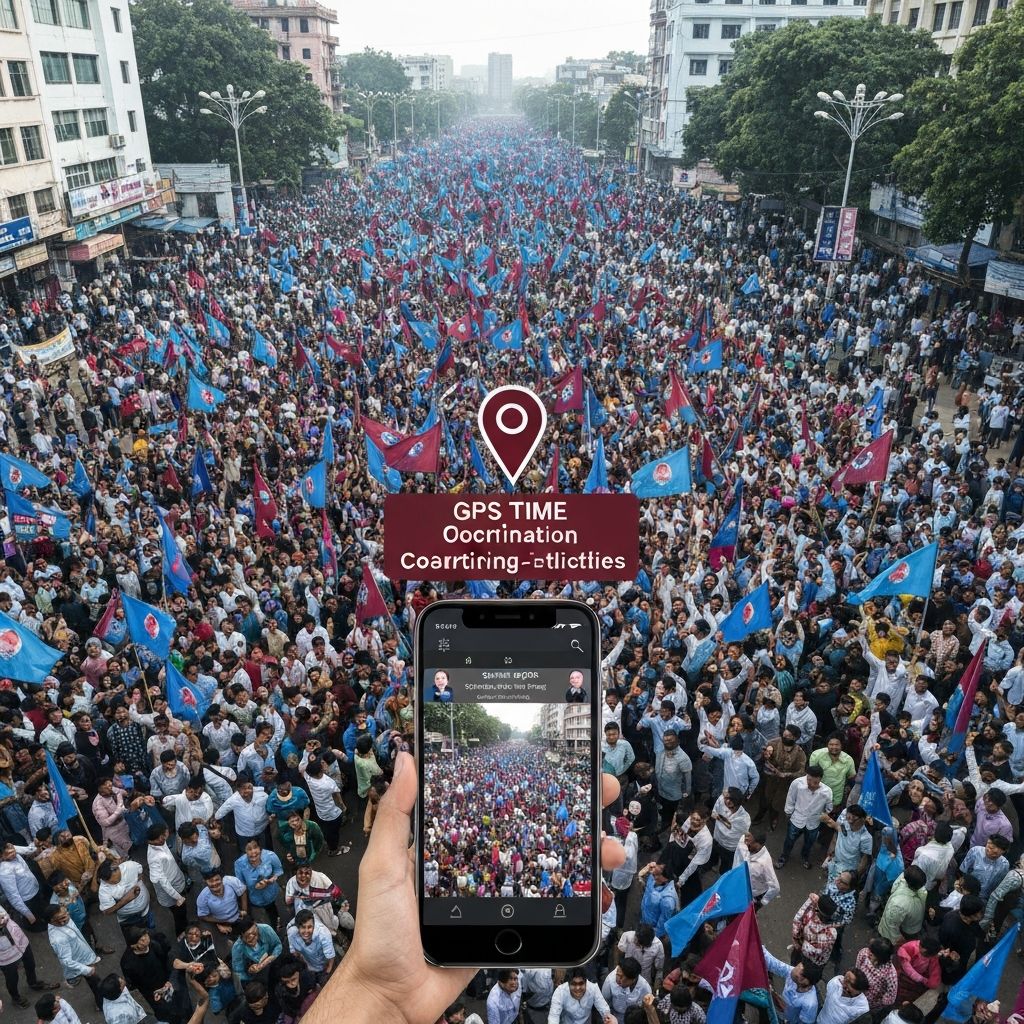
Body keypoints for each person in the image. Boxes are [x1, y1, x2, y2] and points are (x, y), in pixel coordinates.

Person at [43, 902, 103, 1008]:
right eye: (63, 916)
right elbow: (66, 961)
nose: (67, 916)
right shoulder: (59, 939)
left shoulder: (62, 919)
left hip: (83, 954)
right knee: (96, 984)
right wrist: (87, 970)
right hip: (82, 963)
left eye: (66, 912)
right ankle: (101, 1004)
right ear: (53, 921)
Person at [0, 904, 59, 1007]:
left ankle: (33, 983)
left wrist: (4, 918)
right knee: (12, 977)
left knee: (30, 964)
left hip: (20, 939)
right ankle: (16, 998)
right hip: (5, 953)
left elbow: (4, 913)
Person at [778, 765, 833, 869]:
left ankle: (805, 858)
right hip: (796, 819)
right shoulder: (797, 783)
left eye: (815, 782)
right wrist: (788, 813)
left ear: (820, 779)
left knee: (809, 843)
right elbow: (790, 799)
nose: (811, 784)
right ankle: (784, 857)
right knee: (789, 840)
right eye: (809, 780)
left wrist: (822, 815)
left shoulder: (827, 791)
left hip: (814, 823)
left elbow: (829, 808)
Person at [146, 822, 189, 937]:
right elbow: (163, 883)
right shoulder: (154, 859)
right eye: (166, 833)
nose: (168, 834)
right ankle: (181, 934)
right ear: (161, 837)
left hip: (177, 881)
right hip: (172, 892)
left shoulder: (160, 843)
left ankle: (186, 927)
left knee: (183, 912)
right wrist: (178, 897)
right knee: (179, 915)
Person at [761, 945, 821, 1024]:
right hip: (779, 1012)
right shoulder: (794, 972)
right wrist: (759, 949)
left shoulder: (810, 1004)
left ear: (803, 981)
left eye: (795, 976)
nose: (791, 971)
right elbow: (776, 966)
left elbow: (805, 1022)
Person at [234, 840, 283, 929]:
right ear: (245, 851)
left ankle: (277, 926)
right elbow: (241, 886)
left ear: (260, 848)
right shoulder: (239, 864)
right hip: (255, 900)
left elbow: (278, 871)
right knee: (260, 924)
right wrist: (253, 887)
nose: (253, 852)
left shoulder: (270, 855)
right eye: (249, 849)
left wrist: (270, 880)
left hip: (272, 894)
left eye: (255, 847)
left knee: (274, 915)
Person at [548, 968, 615, 1024]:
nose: (577, 988)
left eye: (581, 984)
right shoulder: (560, 991)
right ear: (568, 984)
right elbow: (553, 1017)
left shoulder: (593, 988)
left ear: (586, 982)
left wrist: (608, 1018)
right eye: (573, 984)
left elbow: (604, 1009)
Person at [230, 916, 282, 987]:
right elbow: (238, 972)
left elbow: (278, 945)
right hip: (257, 977)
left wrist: (266, 961)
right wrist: (250, 972)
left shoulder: (266, 929)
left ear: (256, 925)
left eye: (254, 933)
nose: (252, 937)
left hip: (275, 962)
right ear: (241, 937)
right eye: (247, 936)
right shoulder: (237, 948)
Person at [286, 908, 336, 981]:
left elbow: (330, 957)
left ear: (314, 925)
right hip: (308, 963)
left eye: (309, 927)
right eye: (303, 927)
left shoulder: (323, 934)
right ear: (297, 927)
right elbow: (295, 952)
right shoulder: (292, 932)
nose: (306, 931)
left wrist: (327, 972)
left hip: (323, 964)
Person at [196, 869, 248, 937]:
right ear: (205, 882)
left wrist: (244, 910)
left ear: (222, 878)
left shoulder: (231, 881)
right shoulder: (202, 898)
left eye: (217, 879)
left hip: (239, 915)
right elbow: (203, 916)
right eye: (211, 881)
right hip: (222, 924)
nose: (214, 883)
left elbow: (243, 891)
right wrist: (220, 922)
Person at [600, 957, 652, 1024]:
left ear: (633, 979)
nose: (618, 979)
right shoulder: (609, 981)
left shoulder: (645, 988)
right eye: (617, 975)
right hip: (615, 1017)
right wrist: (608, 1017)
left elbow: (646, 1010)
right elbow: (605, 1002)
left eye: (621, 977)